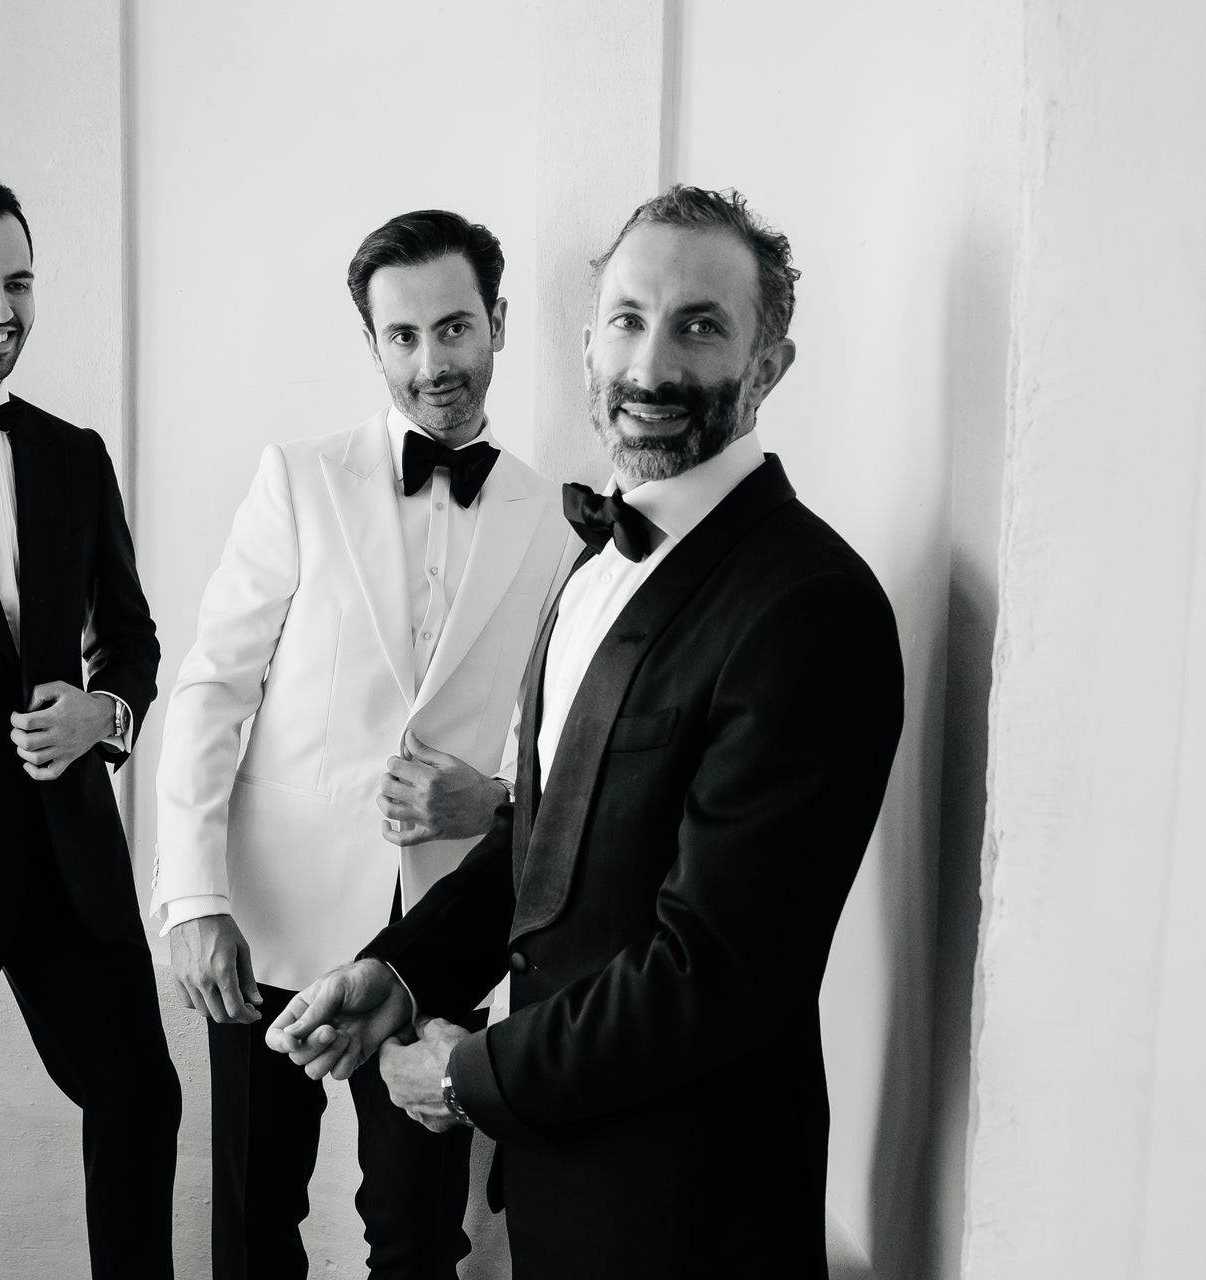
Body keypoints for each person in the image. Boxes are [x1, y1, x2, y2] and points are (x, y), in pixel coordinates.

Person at [267, 186, 905, 1279]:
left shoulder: (810, 605)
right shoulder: (594, 560)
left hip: (697, 1205)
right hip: (568, 1182)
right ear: (584, 336)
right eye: (628, 318)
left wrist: (476, 1075)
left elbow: (716, 968)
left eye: (701, 325)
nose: (651, 365)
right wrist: (401, 973)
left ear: (771, 364)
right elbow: (546, 850)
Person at [151, 210, 571, 1279]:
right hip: (273, 925)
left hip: (444, 932)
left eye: (455, 328)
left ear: (499, 324)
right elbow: (212, 688)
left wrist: (489, 802)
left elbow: (561, 738)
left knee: (424, 1237)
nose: (433, 362)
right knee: (253, 1224)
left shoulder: (558, 520)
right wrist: (195, 899)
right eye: (403, 336)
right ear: (374, 343)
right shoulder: (299, 478)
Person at [0, 171, 178, 1278]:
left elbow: (133, 637)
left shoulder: (73, 453)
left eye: (18, 281)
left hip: (68, 854)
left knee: (143, 1097)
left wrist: (100, 715)